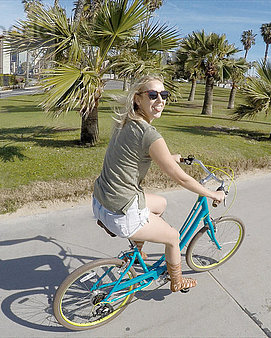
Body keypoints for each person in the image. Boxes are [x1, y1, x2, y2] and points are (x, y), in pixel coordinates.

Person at [92, 75, 225, 292]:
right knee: (173, 237)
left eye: (164, 95)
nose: (160, 100)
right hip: (121, 212)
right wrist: (213, 194)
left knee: (160, 204)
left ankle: (138, 251)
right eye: (152, 95)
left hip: (100, 201)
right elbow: (181, 178)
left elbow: (135, 154)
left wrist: (169, 157)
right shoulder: (149, 134)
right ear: (137, 99)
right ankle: (177, 281)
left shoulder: (126, 122)